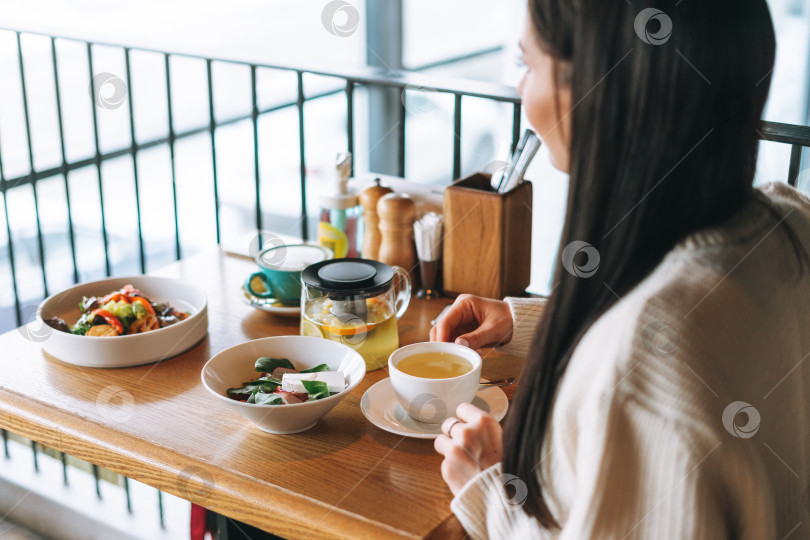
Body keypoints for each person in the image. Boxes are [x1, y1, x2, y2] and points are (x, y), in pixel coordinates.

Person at [430, 1, 810, 538]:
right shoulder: (790, 223)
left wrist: (494, 489)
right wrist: (530, 324)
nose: (522, 90)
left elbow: (646, 358)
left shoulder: (636, 373)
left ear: (595, 93)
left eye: (529, 66)